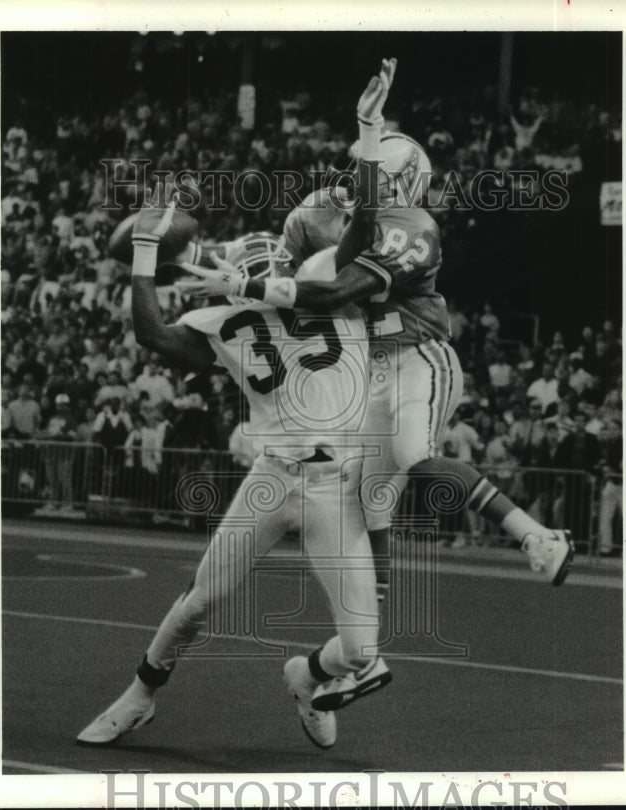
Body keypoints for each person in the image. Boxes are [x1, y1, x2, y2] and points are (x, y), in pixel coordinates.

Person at [183, 57, 573, 587]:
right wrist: (217, 265)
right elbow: (288, 275)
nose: (353, 179)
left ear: (399, 184)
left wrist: (241, 286)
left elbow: (334, 292)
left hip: (419, 356)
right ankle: (368, 633)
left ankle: (537, 536)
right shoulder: (320, 214)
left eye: (370, 173)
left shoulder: (414, 227)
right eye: (355, 168)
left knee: (414, 455)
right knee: (366, 500)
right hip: (369, 371)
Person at [78, 161, 391, 751]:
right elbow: (152, 333)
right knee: (202, 598)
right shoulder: (228, 318)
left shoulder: (327, 280)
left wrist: (369, 138)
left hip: (335, 486)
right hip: (273, 477)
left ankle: (306, 677)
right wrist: (145, 250)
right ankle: (139, 695)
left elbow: (363, 223)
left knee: (359, 653)